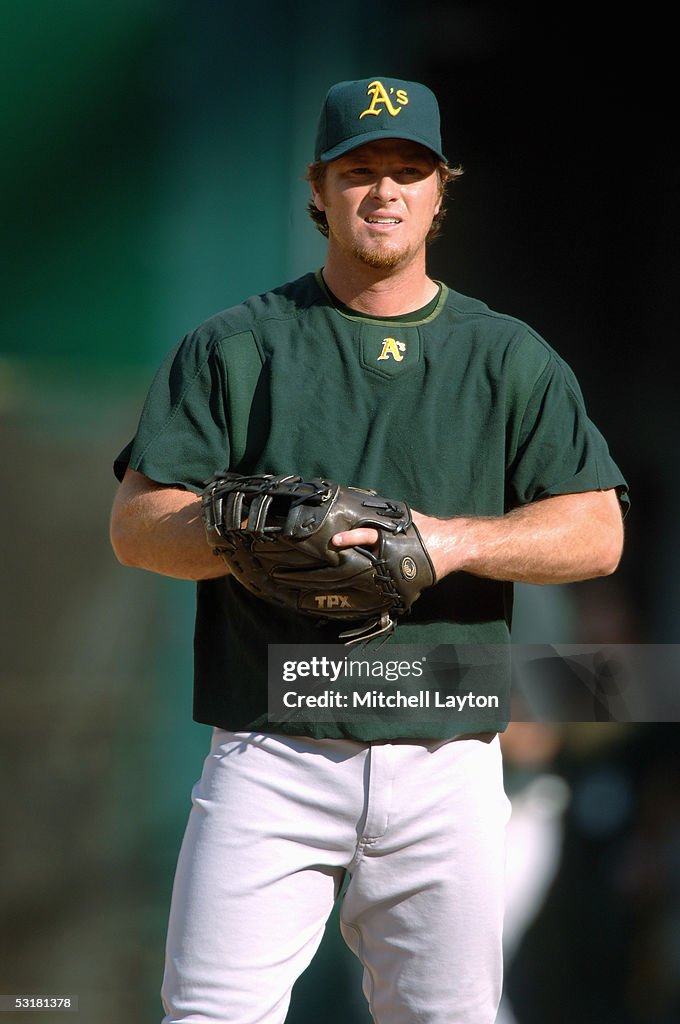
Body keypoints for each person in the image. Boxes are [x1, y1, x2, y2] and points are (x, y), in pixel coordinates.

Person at [109, 76, 629, 1024]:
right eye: (359, 171)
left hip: (449, 751)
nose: (383, 191)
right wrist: (243, 532)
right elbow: (138, 528)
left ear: (440, 190)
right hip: (274, 741)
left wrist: (453, 540)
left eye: (407, 170)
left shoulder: (509, 356)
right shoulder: (237, 346)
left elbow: (599, 532)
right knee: (210, 1016)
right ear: (318, 187)